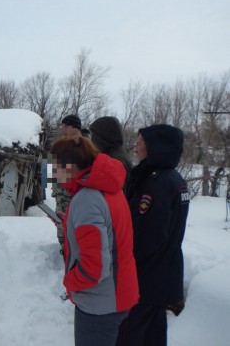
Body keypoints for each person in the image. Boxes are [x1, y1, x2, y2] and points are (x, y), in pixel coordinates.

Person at [50, 136, 138, 346]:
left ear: (69, 167)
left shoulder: (87, 199)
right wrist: (70, 222)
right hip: (118, 295)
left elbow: (94, 268)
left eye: (55, 168)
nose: (53, 174)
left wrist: (70, 282)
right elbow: (108, 231)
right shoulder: (108, 189)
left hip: (99, 304)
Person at [116, 124, 190, 346]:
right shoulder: (174, 178)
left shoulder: (156, 184)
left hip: (146, 279)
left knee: (130, 334)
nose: (136, 148)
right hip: (162, 275)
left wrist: (122, 261)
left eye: (139, 143)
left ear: (153, 147)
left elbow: (148, 234)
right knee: (154, 335)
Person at [51, 114, 83, 247]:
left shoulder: (84, 146)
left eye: (64, 127)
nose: (62, 131)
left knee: (72, 234)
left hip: (73, 198)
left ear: (71, 127)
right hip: (61, 196)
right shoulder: (65, 145)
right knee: (62, 232)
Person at [89, 116, 132, 189]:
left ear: (103, 137)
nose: (92, 140)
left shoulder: (115, 160)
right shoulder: (112, 154)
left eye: (94, 135)